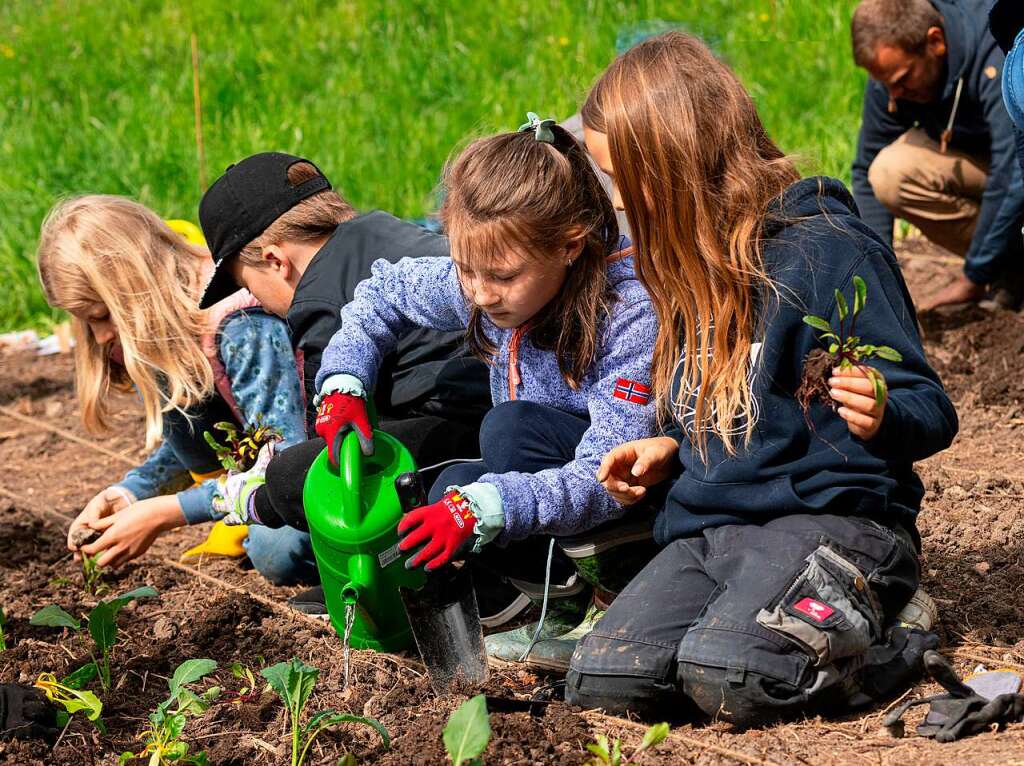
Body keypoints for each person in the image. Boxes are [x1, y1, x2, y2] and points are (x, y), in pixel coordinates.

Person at [564, 32, 958, 726]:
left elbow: (930, 406)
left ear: (676, 165)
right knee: (605, 681)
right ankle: (755, 625)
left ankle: (896, 635)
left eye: (623, 179)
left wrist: (883, 409)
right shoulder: (687, 263)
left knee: (735, 675)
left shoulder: (829, 247)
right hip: (714, 529)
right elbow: (714, 400)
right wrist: (668, 447)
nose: (618, 201)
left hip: (834, 519)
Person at [220, 116, 658, 633]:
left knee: (507, 429)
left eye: (502, 276)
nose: (479, 293)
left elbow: (608, 477)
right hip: (543, 481)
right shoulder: (485, 282)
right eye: (465, 269)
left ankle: (591, 590)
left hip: (629, 505)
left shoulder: (625, 315)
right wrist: (343, 382)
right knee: (450, 482)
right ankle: (533, 595)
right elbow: (381, 295)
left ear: (570, 245)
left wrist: (487, 507)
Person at [195, 151, 492, 615]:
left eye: (249, 286)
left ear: (276, 261)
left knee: (297, 477)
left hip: (464, 433)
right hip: (497, 401)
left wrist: (260, 496)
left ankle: (413, 587)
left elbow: (334, 448)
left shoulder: (318, 296)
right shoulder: (380, 229)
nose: (257, 300)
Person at [36, 196, 309, 583]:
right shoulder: (173, 330)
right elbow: (213, 438)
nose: (99, 337)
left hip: (327, 459)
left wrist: (169, 513)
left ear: (135, 289)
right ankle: (241, 505)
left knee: (276, 551)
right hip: (276, 466)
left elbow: (288, 463)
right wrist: (132, 493)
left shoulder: (241, 327)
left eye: (101, 316)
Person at [851, 0, 1024, 311]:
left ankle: (997, 266)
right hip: (989, 166)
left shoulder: (996, 49)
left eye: (902, 79)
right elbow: (865, 170)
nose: (894, 95)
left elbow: (1014, 174)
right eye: (885, 84)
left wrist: (974, 275)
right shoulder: (892, 78)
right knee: (890, 174)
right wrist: (877, 279)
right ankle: (1013, 270)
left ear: (935, 42)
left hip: (1017, 163)